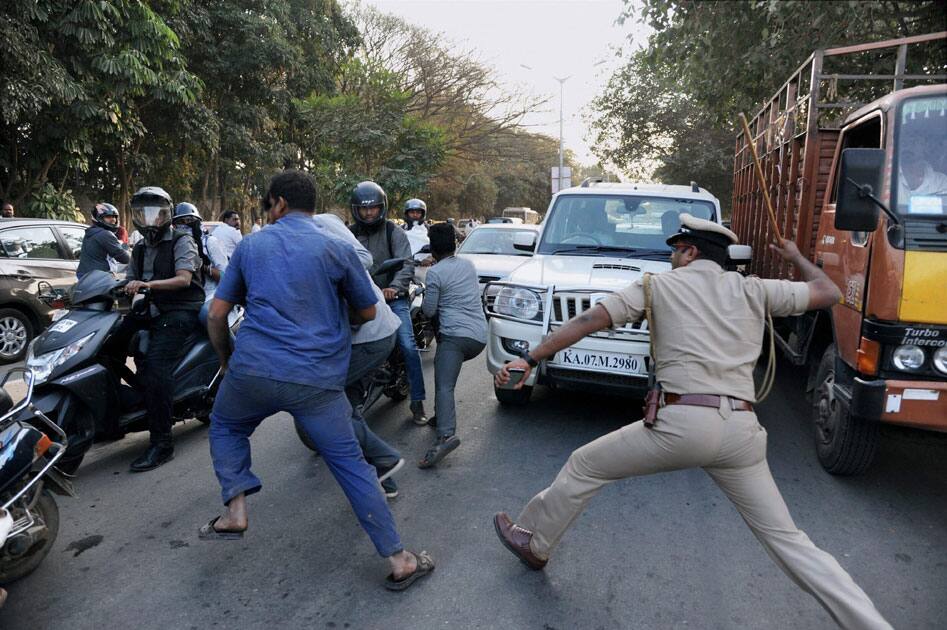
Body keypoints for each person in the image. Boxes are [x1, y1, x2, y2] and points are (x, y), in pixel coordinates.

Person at [492, 214, 891, 630]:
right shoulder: (754, 290)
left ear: (690, 252)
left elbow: (587, 320)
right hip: (741, 431)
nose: (670, 257)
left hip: (681, 424)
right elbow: (828, 292)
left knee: (584, 465)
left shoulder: (656, 286)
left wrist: (531, 358)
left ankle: (537, 545)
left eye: (675, 249)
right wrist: (795, 257)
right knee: (790, 542)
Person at [200, 170, 433, 591]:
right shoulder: (336, 247)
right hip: (316, 380)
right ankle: (400, 560)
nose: (268, 213)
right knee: (350, 466)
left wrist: (228, 361)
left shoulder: (251, 246)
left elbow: (217, 315)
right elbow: (366, 312)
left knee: (227, 425)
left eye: (269, 205)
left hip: (251, 371)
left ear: (280, 204)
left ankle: (235, 509)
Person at [312, 210, 406, 498]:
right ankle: (383, 476)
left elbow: (363, 259)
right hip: (361, 335)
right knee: (345, 410)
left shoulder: (321, 224)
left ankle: (384, 457)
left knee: (323, 401)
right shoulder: (292, 238)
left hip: (370, 335)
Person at [110, 186, 204, 472]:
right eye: (144, 213)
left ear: (168, 214)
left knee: (156, 367)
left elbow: (184, 279)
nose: (151, 219)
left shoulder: (181, 240)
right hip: (148, 309)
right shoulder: (138, 247)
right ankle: (122, 412)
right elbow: (128, 278)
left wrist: (147, 286)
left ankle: (162, 444)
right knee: (109, 348)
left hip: (179, 309)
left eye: (157, 213)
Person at [349, 181, 428, 425]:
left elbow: (406, 263)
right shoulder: (349, 233)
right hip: (360, 299)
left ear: (381, 208)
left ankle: (417, 402)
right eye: (364, 209)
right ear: (356, 210)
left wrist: (393, 288)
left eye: (373, 208)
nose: (369, 213)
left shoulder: (394, 232)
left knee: (407, 345)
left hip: (392, 298)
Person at [417, 223, 486, 468]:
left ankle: (446, 435)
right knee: (442, 367)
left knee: (444, 385)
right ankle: (439, 416)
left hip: (456, 338)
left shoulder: (435, 273)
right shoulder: (468, 265)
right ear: (455, 244)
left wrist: (425, 291)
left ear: (433, 249)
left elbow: (428, 310)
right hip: (479, 337)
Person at [171, 202, 227, 325]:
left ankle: (227, 344)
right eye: (179, 223)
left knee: (206, 315)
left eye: (188, 221)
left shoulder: (210, 242)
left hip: (212, 294)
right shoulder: (177, 245)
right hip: (187, 297)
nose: (183, 226)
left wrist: (204, 267)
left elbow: (226, 278)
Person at [76, 202, 130, 279]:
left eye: (114, 217)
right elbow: (125, 258)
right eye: (108, 217)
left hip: (83, 275)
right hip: (100, 277)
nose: (113, 220)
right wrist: (125, 247)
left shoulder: (90, 232)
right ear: (99, 218)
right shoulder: (105, 234)